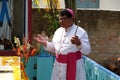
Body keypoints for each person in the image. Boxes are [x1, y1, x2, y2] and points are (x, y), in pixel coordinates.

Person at [34, 8, 91, 80]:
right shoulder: (58, 31)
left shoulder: (81, 32)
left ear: (71, 19)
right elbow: (55, 49)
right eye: (60, 19)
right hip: (59, 66)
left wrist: (79, 43)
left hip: (74, 66)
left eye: (64, 19)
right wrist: (45, 43)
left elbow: (88, 50)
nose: (61, 21)